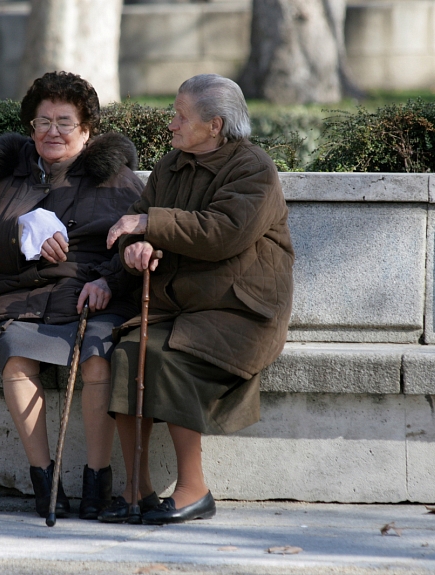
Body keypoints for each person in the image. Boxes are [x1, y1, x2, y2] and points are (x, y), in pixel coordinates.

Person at [0, 71, 144, 519]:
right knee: (16, 357)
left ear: (87, 131)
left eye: (65, 122)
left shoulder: (117, 181)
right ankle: (44, 480)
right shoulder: (9, 181)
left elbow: (134, 244)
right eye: (43, 121)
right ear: (31, 127)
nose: (53, 132)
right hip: (19, 298)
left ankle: (96, 479)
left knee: (97, 355)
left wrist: (108, 280)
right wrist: (20, 237)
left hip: (92, 294)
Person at [102, 74, 294, 525]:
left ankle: (194, 488)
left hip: (240, 312)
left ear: (215, 125)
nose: (170, 124)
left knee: (166, 358)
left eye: (180, 116)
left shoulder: (253, 168)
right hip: (180, 307)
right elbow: (134, 224)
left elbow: (223, 233)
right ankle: (137, 488)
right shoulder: (172, 165)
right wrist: (134, 251)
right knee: (128, 354)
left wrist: (150, 226)